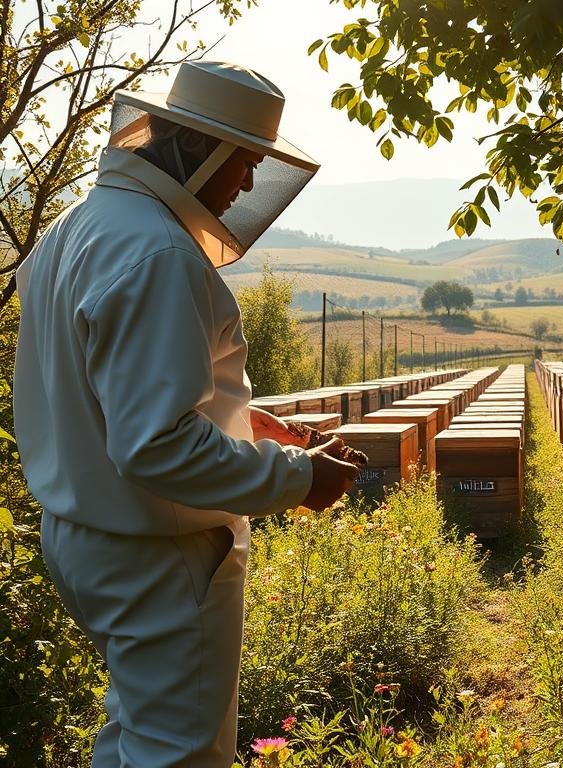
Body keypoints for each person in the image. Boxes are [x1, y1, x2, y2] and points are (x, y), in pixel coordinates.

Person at [13, 61, 358, 767]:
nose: (249, 187)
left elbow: (110, 394)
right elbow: (155, 447)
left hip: (86, 540)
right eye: (246, 164)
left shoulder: (76, 228)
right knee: (180, 755)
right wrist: (299, 480)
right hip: (156, 558)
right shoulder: (159, 251)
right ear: (201, 153)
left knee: (136, 737)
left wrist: (248, 423)